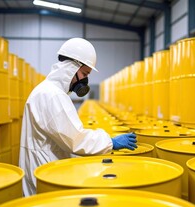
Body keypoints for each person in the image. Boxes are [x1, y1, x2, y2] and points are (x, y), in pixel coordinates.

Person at [19, 37, 137, 196]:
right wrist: (110, 142)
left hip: (45, 170)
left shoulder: (48, 91)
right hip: (47, 176)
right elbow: (75, 139)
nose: (85, 79)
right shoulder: (52, 95)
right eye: (84, 73)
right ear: (71, 67)